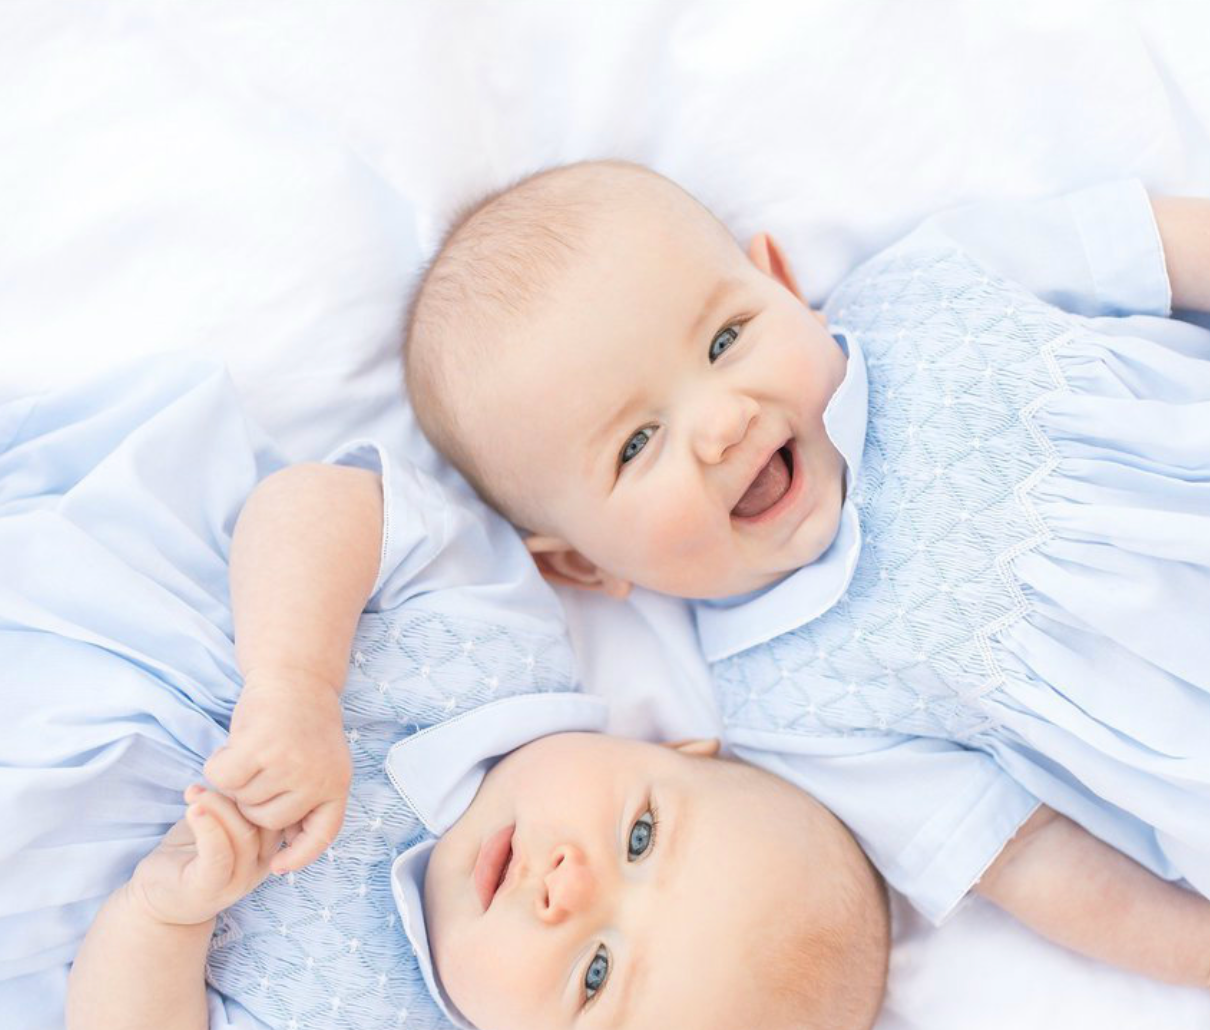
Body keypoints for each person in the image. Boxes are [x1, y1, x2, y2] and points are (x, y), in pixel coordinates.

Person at [0, 359, 888, 1030]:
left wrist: (164, 916)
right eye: (641, 837)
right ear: (677, 748)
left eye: (596, 973)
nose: (569, 888)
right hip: (74, 581)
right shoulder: (499, 638)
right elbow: (315, 502)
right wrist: (296, 680)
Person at [404, 159, 1210, 983]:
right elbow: (1031, 854)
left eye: (726, 341)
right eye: (637, 444)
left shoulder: (929, 287)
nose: (722, 422)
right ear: (584, 562)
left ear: (783, 285)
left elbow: (1156, 247)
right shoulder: (792, 712)